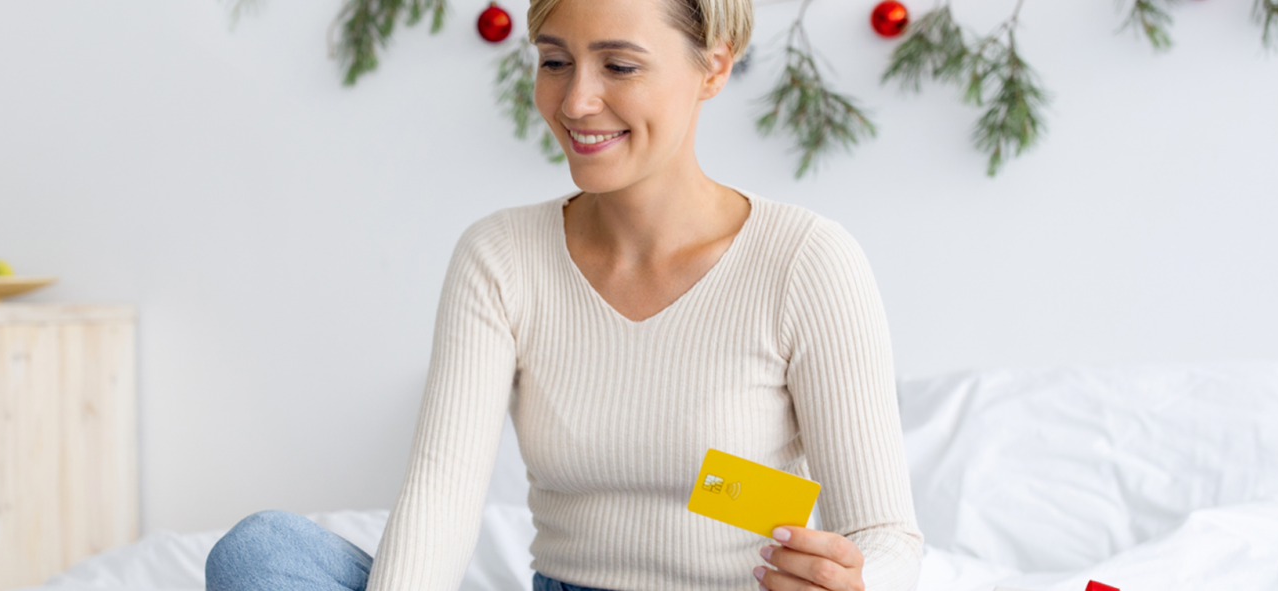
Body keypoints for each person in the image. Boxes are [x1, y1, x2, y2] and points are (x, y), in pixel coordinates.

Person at [205, 0, 924, 585]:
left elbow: (886, 536)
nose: (576, 100)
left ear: (713, 67)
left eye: (618, 64)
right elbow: (444, 493)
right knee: (260, 552)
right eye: (554, 61)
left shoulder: (805, 260)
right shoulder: (502, 256)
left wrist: (855, 580)